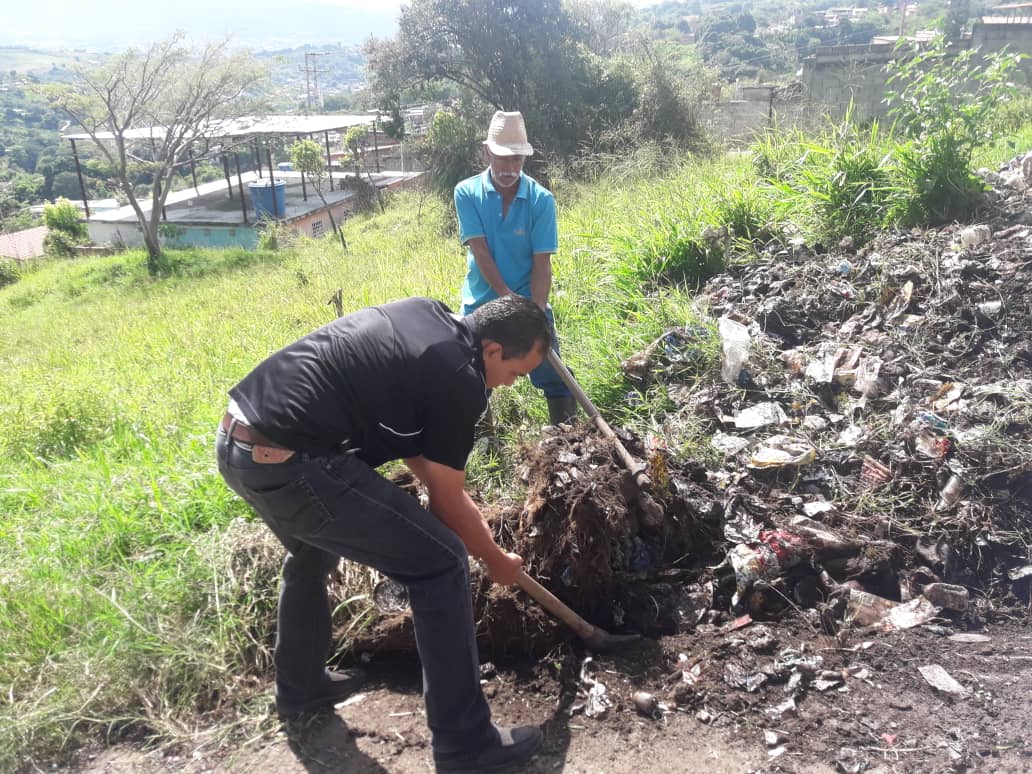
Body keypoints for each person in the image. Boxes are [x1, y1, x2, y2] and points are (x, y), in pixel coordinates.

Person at [215, 295, 549, 773]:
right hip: (292, 464)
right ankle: (466, 746)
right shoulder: (462, 379)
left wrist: (475, 530)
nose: (512, 385)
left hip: (238, 443)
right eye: (517, 373)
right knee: (441, 562)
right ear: (493, 350)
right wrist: (494, 560)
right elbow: (447, 503)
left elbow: (423, 457)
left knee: (313, 549)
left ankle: (301, 685)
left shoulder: (429, 320)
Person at [454, 110, 578, 426]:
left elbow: (542, 263)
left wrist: (534, 313)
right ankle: (483, 438)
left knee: (553, 371)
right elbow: (480, 251)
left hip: (529, 300)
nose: (510, 168)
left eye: (517, 160)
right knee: (473, 377)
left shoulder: (541, 200)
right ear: (487, 153)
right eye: (502, 158)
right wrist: (507, 300)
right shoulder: (466, 193)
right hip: (482, 302)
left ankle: (568, 436)